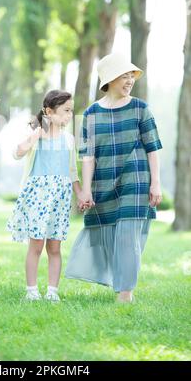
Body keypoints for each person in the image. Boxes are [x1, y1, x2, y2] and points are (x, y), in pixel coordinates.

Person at [65, 53, 163, 303]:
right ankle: (118, 282)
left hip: (136, 178)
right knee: (108, 235)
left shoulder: (141, 109)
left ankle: (125, 293)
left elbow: (153, 148)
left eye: (132, 75)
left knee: (128, 234)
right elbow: (87, 155)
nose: (130, 80)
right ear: (109, 79)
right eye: (124, 75)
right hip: (104, 181)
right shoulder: (90, 114)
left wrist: (156, 182)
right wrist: (85, 190)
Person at [7, 90, 84, 302]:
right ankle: (32, 291)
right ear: (49, 112)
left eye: (71, 111)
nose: (69, 116)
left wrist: (80, 194)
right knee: (36, 245)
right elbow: (17, 152)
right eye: (65, 111)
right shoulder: (37, 135)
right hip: (38, 197)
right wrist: (35, 136)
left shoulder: (68, 139)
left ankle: (52, 291)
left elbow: (72, 172)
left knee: (55, 246)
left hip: (60, 198)